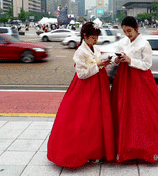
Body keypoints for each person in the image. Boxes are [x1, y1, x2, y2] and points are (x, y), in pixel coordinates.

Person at [47, 22, 115, 167]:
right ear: (85, 36)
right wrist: (99, 65)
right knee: (85, 119)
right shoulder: (80, 52)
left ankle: (97, 151)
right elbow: (81, 74)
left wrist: (106, 62)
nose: (95, 40)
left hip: (99, 85)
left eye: (97, 37)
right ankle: (84, 152)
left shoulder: (95, 48)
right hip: (86, 87)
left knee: (98, 117)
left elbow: (97, 63)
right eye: (92, 37)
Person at [110, 16, 158, 163]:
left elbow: (147, 64)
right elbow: (113, 57)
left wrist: (131, 61)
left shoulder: (144, 43)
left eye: (129, 30)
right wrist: (116, 60)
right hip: (123, 79)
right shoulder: (123, 42)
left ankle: (144, 148)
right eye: (125, 31)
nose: (127, 34)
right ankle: (124, 147)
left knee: (142, 112)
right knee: (123, 111)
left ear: (136, 27)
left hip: (140, 80)